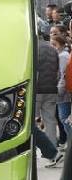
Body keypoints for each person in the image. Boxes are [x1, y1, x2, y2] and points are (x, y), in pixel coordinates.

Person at [36, 32, 61, 160]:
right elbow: (58, 71)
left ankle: (39, 148)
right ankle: (52, 151)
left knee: (31, 122)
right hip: (51, 89)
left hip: (37, 90)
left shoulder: (33, 48)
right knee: (50, 121)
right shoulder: (53, 49)